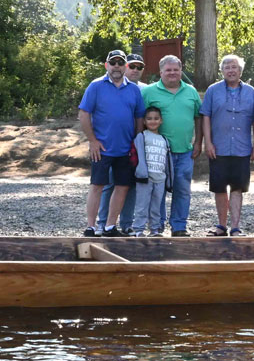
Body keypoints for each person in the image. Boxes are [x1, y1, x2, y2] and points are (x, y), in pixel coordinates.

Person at [79, 49, 145, 236]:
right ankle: (91, 226)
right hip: (101, 149)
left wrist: (137, 141)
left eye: (120, 63)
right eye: (113, 62)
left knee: (122, 186)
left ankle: (109, 226)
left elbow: (139, 116)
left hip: (125, 149)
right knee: (97, 186)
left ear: (125, 66)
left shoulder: (133, 89)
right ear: (107, 65)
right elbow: (84, 114)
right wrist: (92, 141)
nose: (116, 66)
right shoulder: (96, 86)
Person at [140, 55, 202, 236]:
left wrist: (198, 141)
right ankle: (157, 226)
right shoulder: (149, 92)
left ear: (181, 70)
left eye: (176, 69)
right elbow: (139, 119)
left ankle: (179, 226)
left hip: (185, 152)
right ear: (161, 72)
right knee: (157, 191)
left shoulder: (191, 91)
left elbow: (199, 117)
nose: (172, 73)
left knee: (182, 190)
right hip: (157, 153)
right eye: (168, 70)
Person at [201, 54, 254, 236]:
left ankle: (235, 226)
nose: (230, 70)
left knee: (237, 188)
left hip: (242, 148)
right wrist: (208, 143)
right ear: (222, 71)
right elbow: (206, 116)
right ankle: (221, 225)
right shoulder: (213, 91)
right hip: (218, 148)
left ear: (240, 70)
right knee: (219, 187)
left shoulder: (251, 92)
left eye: (234, 67)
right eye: (227, 67)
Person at [130, 107, 172, 236]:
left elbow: (167, 161)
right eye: (149, 119)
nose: (152, 121)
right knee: (142, 205)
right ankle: (138, 229)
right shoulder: (141, 136)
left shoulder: (164, 140)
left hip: (160, 178)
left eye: (156, 118)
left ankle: (154, 229)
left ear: (161, 121)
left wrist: (169, 179)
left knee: (156, 206)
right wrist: (140, 172)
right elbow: (137, 155)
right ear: (144, 121)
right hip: (145, 177)